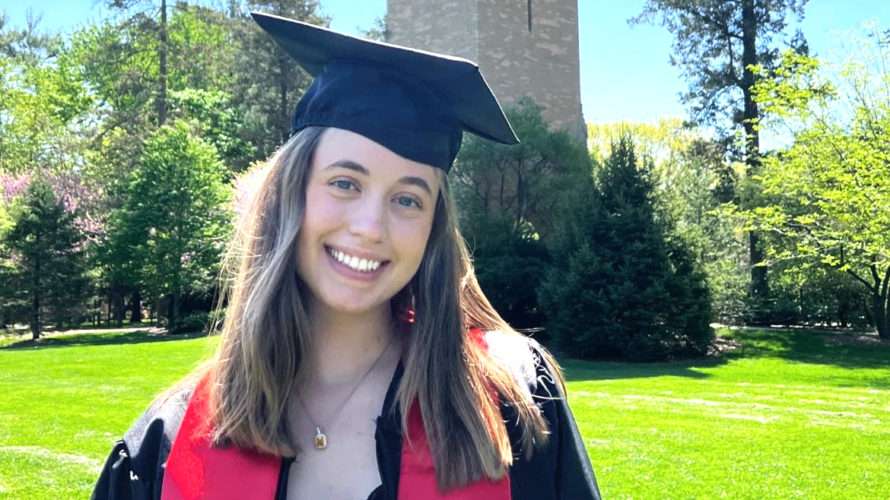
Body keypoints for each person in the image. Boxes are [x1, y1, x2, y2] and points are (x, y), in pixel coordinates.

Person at [91, 12, 601, 500]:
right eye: (344, 183)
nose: (370, 227)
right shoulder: (170, 442)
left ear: (432, 228)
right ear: (291, 194)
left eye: (407, 199)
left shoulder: (510, 405)